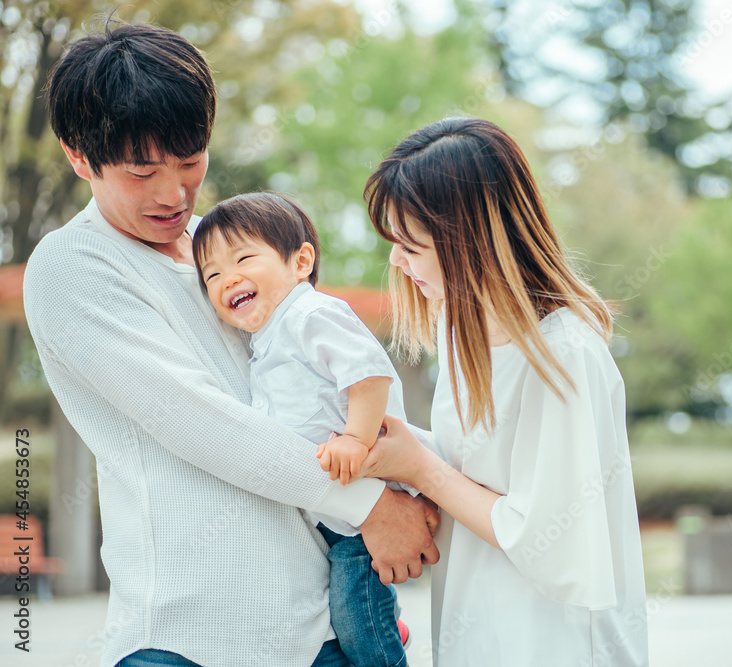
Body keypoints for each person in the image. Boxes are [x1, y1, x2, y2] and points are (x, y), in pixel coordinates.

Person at [23, 22, 438, 667]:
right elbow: (202, 423)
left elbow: (317, 383)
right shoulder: (74, 267)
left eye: (190, 162)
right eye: (142, 172)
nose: (173, 194)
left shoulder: (226, 255)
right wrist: (369, 504)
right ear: (79, 156)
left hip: (313, 626)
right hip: (190, 634)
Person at [348, 117, 650, 666]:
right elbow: (483, 475)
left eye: (410, 245)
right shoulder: (460, 333)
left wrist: (421, 468)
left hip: (556, 646)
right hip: (478, 634)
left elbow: (549, 539)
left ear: (470, 241)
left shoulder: (565, 355)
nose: (395, 260)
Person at [192, 192, 415, 667]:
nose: (227, 277)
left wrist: (355, 437)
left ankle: (385, 645)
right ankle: (387, 624)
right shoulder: (266, 339)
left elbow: (370, 374)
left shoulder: (311, 314)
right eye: (211, 275)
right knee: (353, 609)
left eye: (244, 258)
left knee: (358, 625)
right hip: (333, 513)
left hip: (363, 501)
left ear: (301, 260)